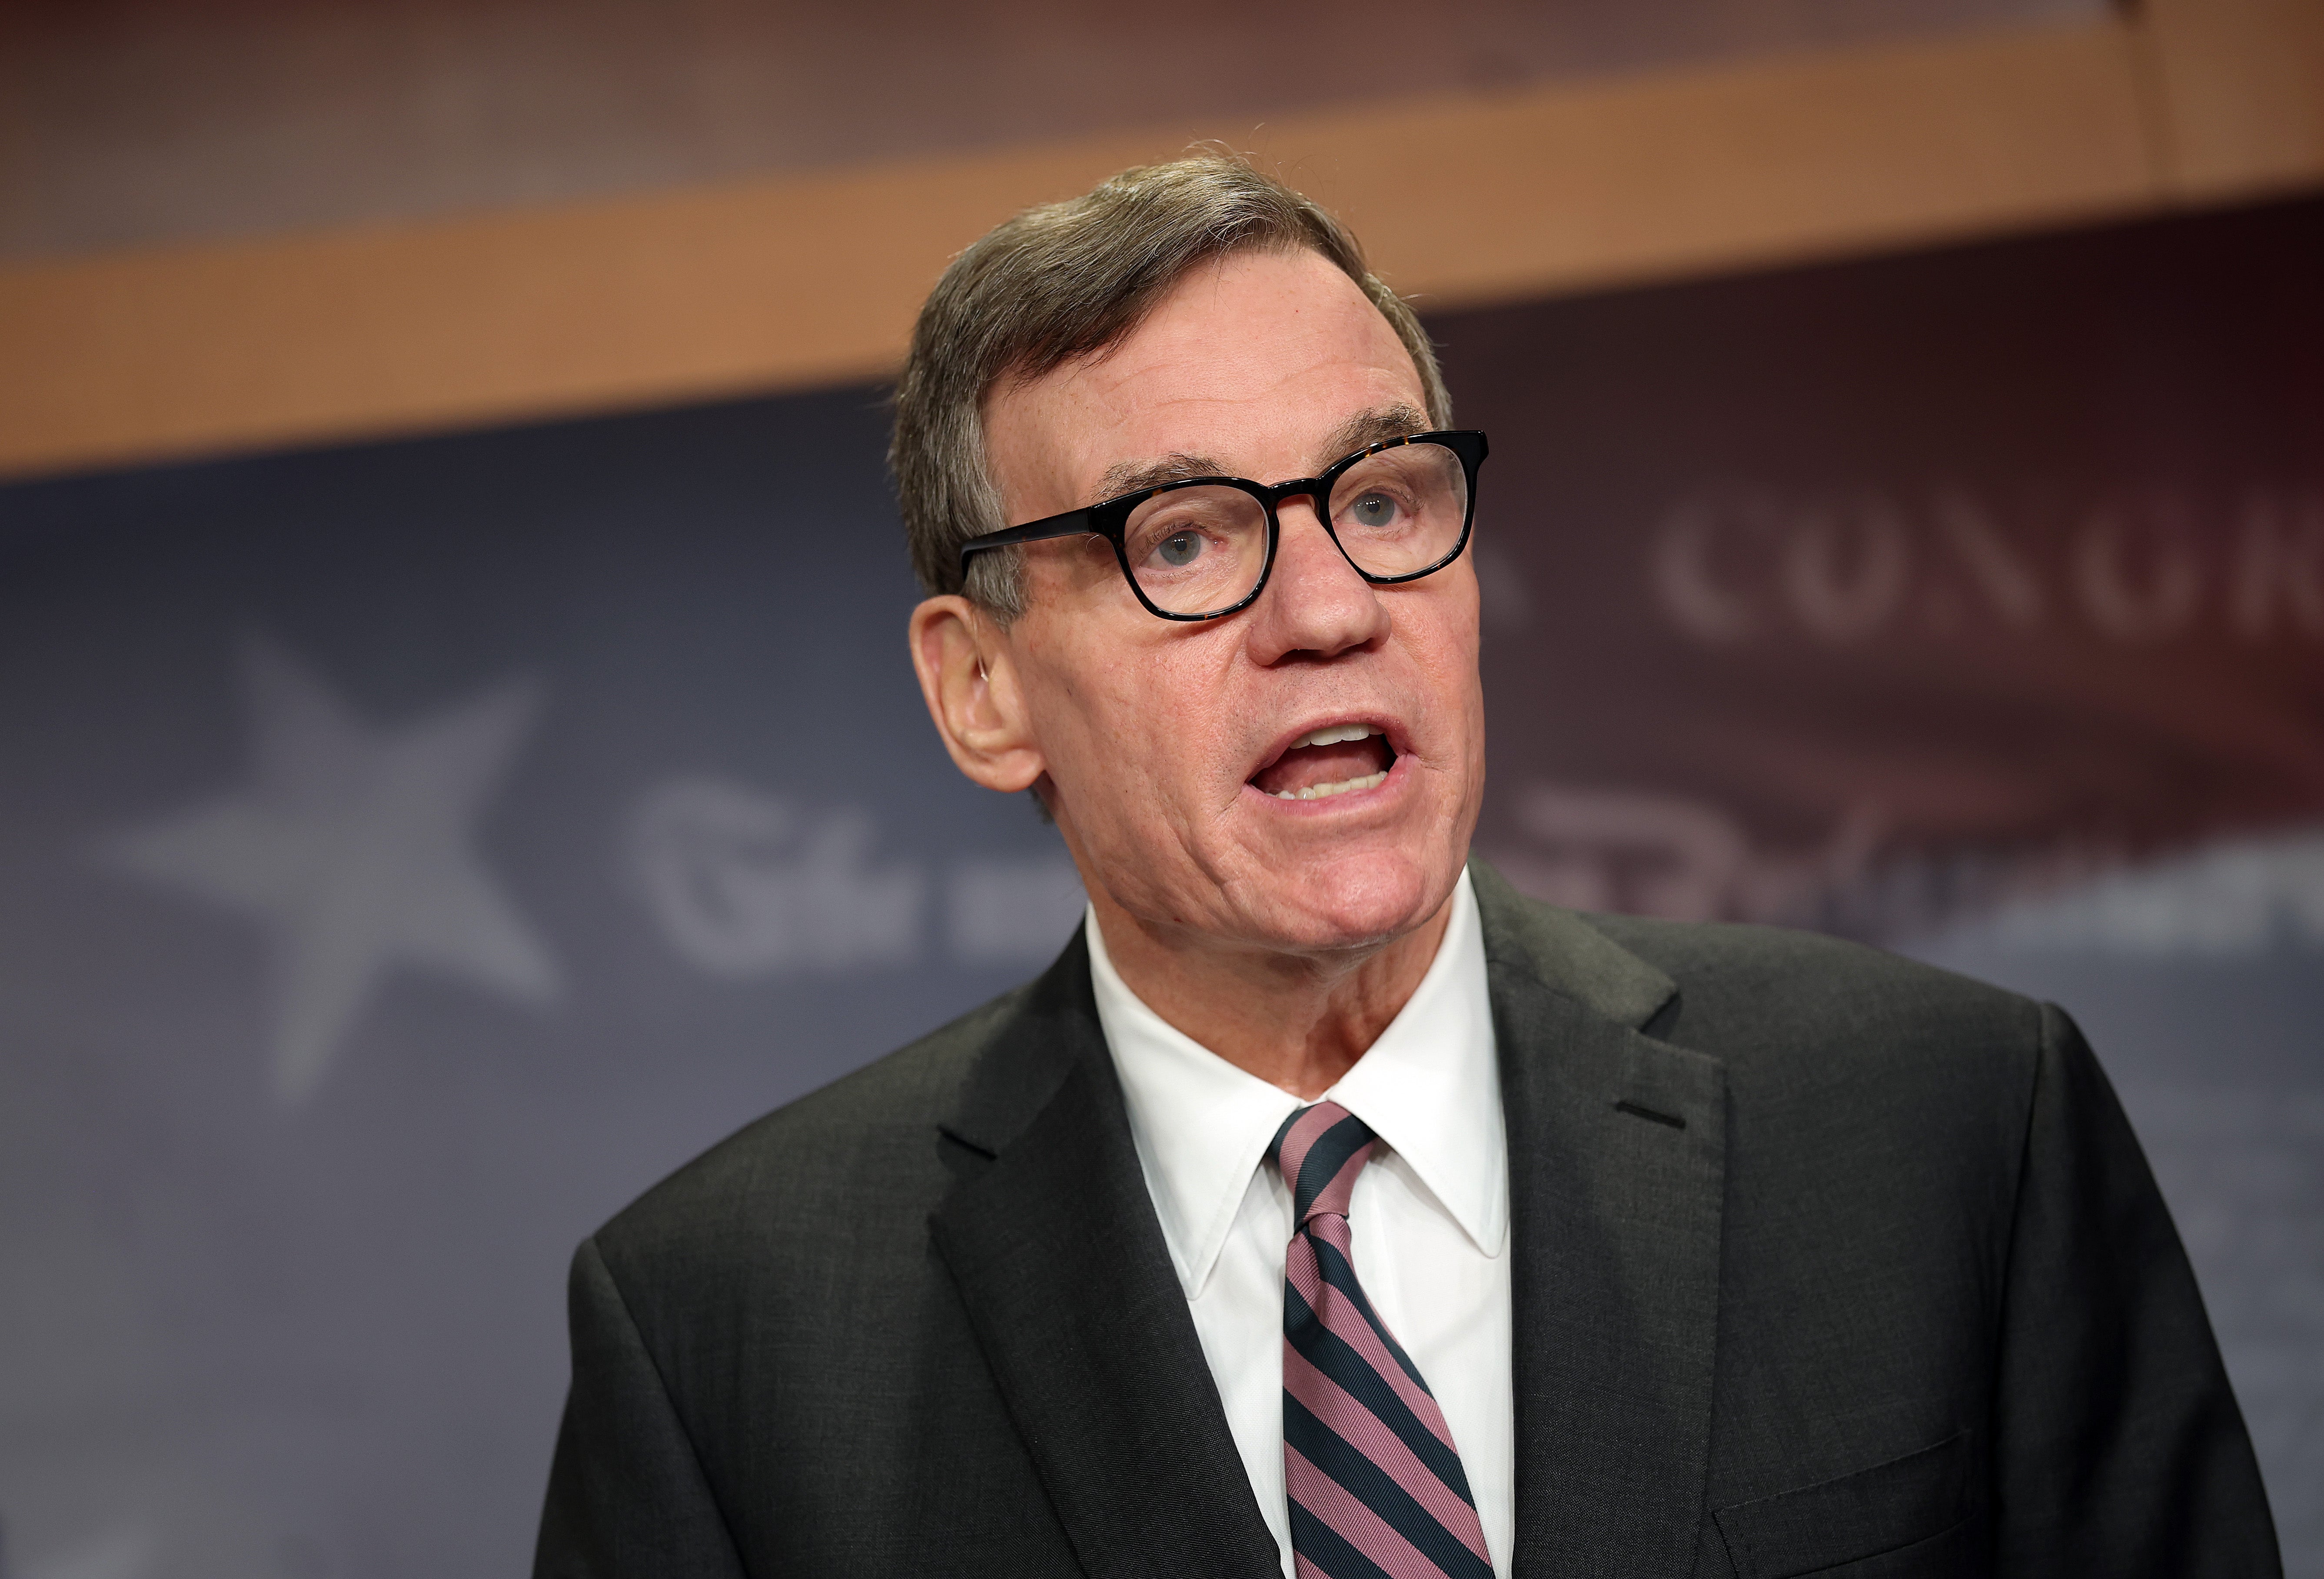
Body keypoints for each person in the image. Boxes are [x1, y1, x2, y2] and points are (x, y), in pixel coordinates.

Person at [533, 153, 2278, 1579]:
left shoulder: (1944, 1126)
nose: (1327, 611)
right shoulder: (729, 1336)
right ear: (982, 689)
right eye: (1181, 538)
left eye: (1378, 499)